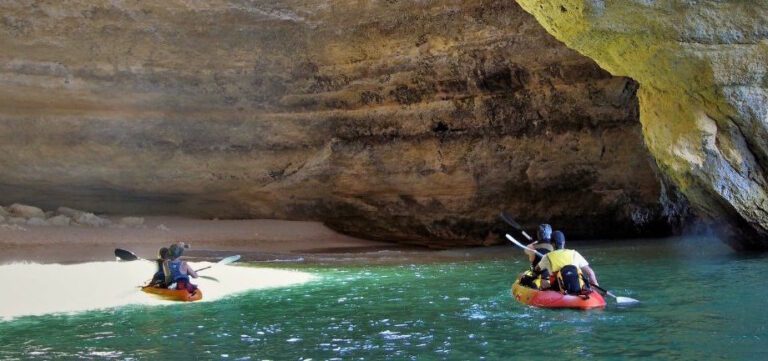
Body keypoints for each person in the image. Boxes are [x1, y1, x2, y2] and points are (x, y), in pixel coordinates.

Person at [535, 231, 599, 295]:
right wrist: (596, 287)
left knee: (543, 278)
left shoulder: (547, 257)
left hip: (558, 288)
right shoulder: (574, 253)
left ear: (552, 244)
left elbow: (537, 269)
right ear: (564, 242)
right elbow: (590, 273)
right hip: (578, 287)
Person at [518, 224, 555, 289]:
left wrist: (533, 243)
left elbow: (526, 251)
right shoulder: (553, 247)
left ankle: (532, 285)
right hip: (550, 274)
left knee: (520, 275)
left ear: (538, 235)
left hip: (537, 275)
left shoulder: (531, 247)